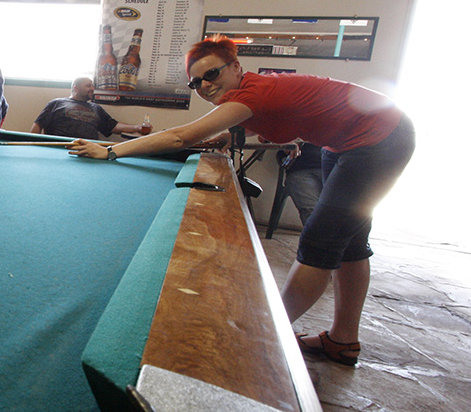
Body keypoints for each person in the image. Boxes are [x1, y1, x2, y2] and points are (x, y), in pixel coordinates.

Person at [69, 36, 414, 366]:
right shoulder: (253, 93)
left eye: (212, 74)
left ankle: (263, 334)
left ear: (236, 67)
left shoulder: (254, 92)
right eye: (196, 82)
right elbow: (269, 119)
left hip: (382, 138)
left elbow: (180, 137)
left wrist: (110, 151)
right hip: (345, 143)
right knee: (350, 244)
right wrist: (226, 136)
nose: (205, 86)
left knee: (319, 244)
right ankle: (343, 341)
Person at [31, 76, 148, 140]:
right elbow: (38, 125)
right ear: (76, 88)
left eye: (93, 86)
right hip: (58, 147)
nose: (92, 89)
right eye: (88, 86)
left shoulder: (96, 108)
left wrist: (137, 127)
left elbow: (113, 126)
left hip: (88, 150)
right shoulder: (57, 103)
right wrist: (33, 146)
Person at [277, 142, 324, 226]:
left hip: (335, 168)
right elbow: (264, 138)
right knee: (312, 212)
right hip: (300, 169)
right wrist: (287, 141)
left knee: (342, 210)